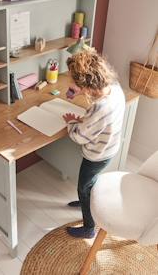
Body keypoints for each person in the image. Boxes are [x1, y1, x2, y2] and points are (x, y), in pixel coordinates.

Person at [63, 50, 125, 239]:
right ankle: (86, 202)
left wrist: (71, 122)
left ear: (88, 86)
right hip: (110, 147)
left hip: (96, 155)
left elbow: (79, 137)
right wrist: (87, 119)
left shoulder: (99, 107)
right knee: (91, 182)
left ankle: (89, 227)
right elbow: (97, 123)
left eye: (78, 84)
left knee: (84, 186)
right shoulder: (114, 87)